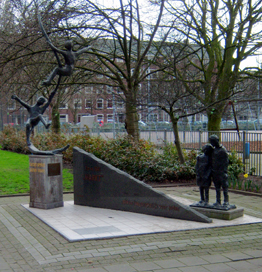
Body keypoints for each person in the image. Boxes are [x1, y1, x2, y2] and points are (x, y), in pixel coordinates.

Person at [209, 134, 229, 206]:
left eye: (212, 142)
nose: (211, 143)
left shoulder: (222, 150)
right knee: (217, 187)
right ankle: (218, 201)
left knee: (224, 187)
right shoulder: (213, 150)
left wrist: (223, 171)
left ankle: (226, 201)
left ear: (216, 141)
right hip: (215, 171)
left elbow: (226, 162)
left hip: (221, 172)